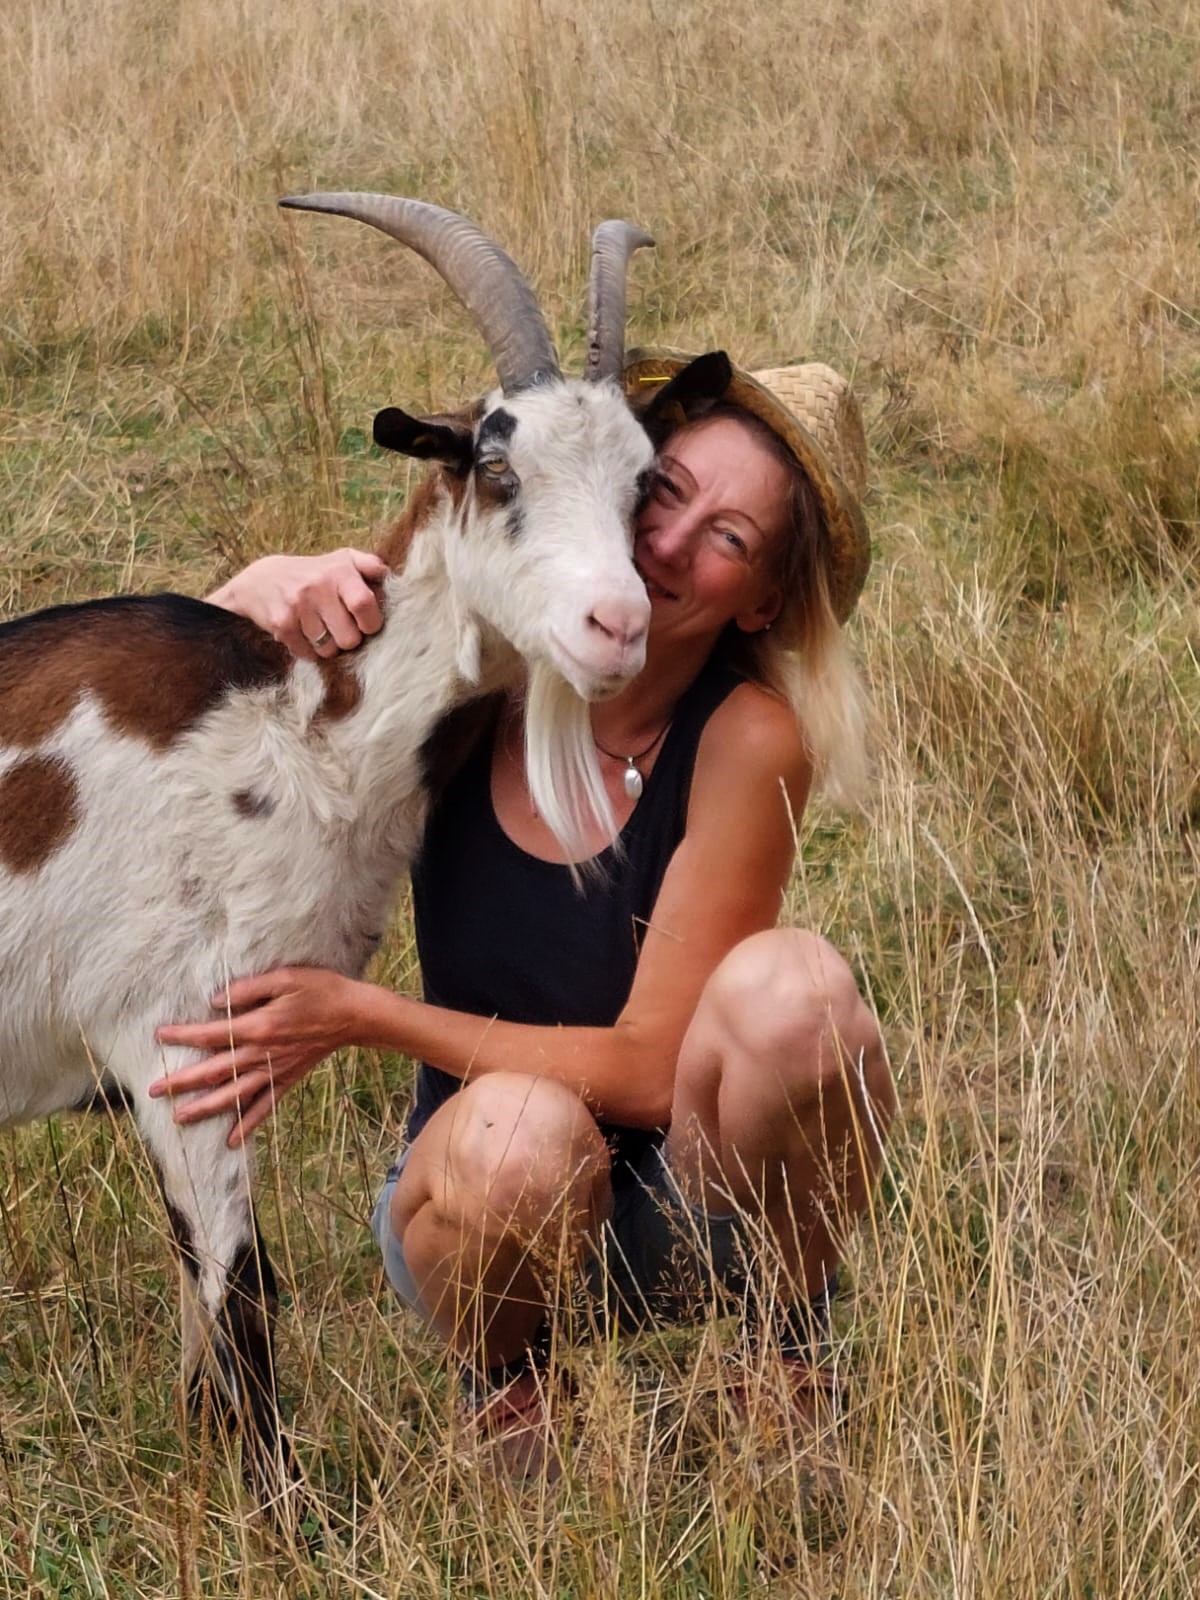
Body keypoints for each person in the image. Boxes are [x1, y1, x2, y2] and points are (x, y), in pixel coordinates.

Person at [152, 351, 897, 1470]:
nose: (667, 543)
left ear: (768, 599)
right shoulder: (480, 678)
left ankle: (784, 1352)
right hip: (487, 1193)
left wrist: (360, 1014)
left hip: (686, 1203)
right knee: (522, 1133)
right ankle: (508, 1385)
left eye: (729, 538)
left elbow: (650, 1073)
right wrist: (250, 591)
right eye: (665, 490)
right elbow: (224, 737)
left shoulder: (748, 737)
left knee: (802, 1001)